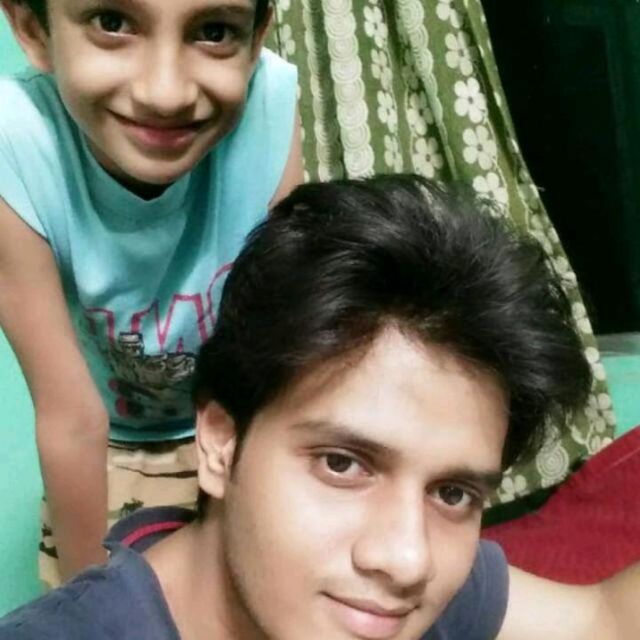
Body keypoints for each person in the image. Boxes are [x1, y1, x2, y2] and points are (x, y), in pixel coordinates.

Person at [1, 174, 637, 640]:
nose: (407, 561)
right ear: (220, 441)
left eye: (452, 494)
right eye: (341, 463)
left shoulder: (421, 584)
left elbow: (604, 621)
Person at [0, 0, 303, 585]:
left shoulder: (270, 104)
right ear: (33, 29)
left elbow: (282, 345)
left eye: (214, 31)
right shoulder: (13, 143)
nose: (165, 93)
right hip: (106, 438)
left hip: (237, 414)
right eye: (112, 23)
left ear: (256, 39)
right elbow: (70, 417)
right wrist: (93, 604)